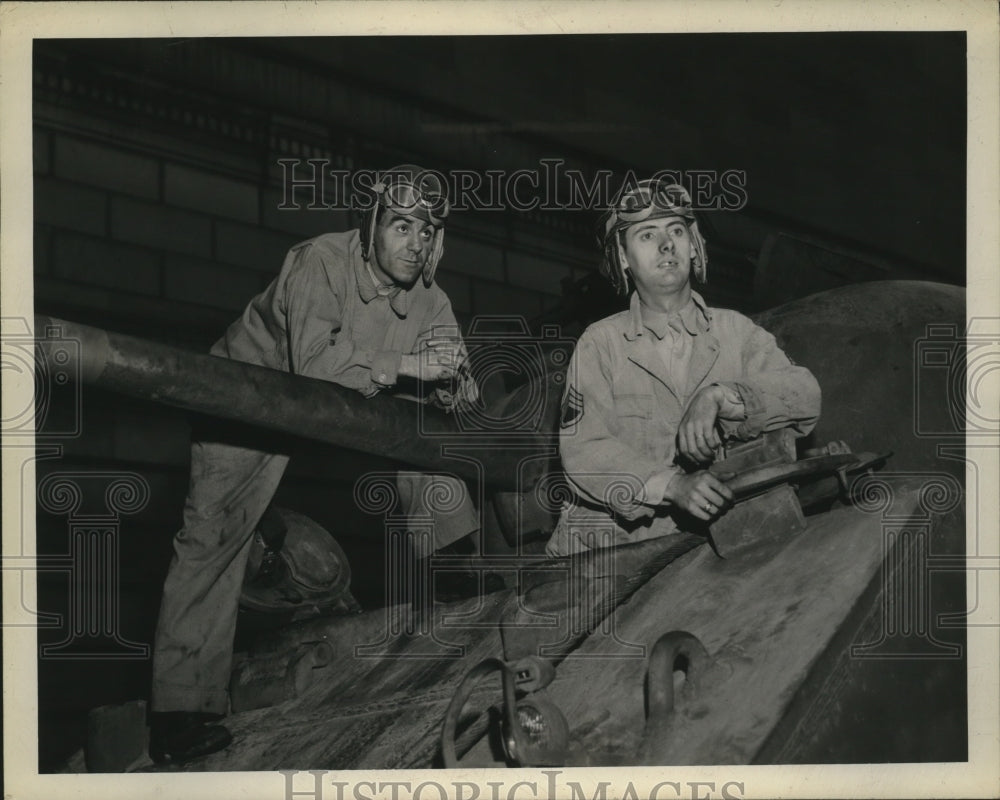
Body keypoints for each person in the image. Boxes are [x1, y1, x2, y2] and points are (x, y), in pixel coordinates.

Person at [149, 165, 479, 763]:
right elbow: (314, 368)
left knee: (431, 446)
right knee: (215, 534)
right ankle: (179, 712)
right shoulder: (319, 262)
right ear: (371, 225)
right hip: (249, 395)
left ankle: (464, 589)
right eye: (401, 225)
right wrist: (411, 367)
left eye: (426, 231)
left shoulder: (431, 298)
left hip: (346, 400)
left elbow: (448, 383)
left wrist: (458, 382)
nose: (415, 242)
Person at [547, 177, 821, 556]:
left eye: (676, 230)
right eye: (646, 235)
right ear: (623, 258)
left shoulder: (735, 331)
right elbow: (583, 450)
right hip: (614, 552)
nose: (665, 245)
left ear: (693, 247)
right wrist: (672, 486)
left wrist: (723, 398)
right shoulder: (601, 343)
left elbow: (805, 393)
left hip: (717, 540)